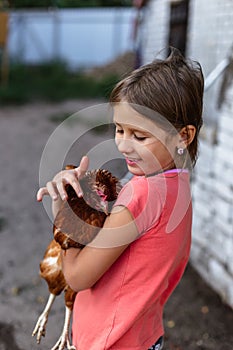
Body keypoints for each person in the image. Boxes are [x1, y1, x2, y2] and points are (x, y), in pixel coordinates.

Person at [37, 47, 204, 350]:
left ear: (183, 136)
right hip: (143, 336)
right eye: (119, 129)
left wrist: (64, 214)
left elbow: (76, 277)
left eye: (140, 136)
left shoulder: (144, 193)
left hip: (111, 341)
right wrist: (79, 198)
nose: (124, 146)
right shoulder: (176, 185)